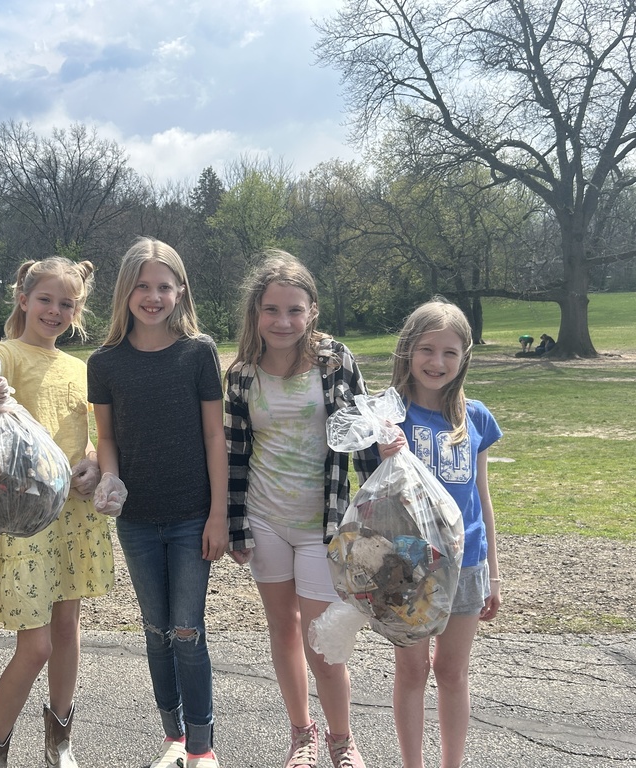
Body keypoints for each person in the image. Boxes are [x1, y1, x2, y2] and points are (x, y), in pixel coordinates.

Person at [224, 251, 378, 768]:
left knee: (322, 640)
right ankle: (301, 735)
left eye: (294, 310)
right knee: (283, 630)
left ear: (312, 310)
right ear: (256, 313)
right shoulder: (243, 374)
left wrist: (381, 486)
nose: (283, 321)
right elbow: (235, 454)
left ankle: (342, 739)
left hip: (324, 524)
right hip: (265, 519)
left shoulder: (335, 360)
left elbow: (363, 434)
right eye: (272, 310)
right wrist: (235, 524)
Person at [87, 237, 228, 768]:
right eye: (142, 286)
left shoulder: (199, 352)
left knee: (188, 631)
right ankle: (171, 736)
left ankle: (201, 745)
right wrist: (110, 479)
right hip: (138, 520)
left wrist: (218, 513)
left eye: (163, 286)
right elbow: (107, 439)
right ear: (125, 292)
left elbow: (215, 436)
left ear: (180, 290)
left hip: (194, 516)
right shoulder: (105, 362)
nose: (153, 296)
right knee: (155, 629)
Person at [0, 257, 115, 768]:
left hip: (77, 515)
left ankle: (59, 743)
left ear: (77, 310)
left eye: (66, 303)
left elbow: (101, 437)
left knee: (67, 631)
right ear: (23, 299)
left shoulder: (83, 368)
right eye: (46, 300)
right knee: (34, 647)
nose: (55, 311)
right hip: (24, 517)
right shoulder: (5, 354)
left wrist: (96, 463)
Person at [379, 298, 503, 768]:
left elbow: (482, 499)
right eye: (427, 350)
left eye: (450, 352)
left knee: (452, 673)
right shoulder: (389, 417)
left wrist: (494, 573)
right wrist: (381, 447)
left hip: (467, 563)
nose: (437, 362)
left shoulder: (476, 418)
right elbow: (373, 497)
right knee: (411, 672)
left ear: (464, 357)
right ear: (407, 351)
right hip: (407, 567)